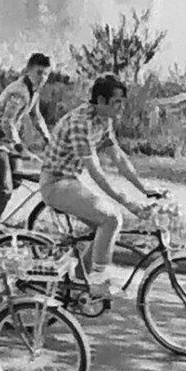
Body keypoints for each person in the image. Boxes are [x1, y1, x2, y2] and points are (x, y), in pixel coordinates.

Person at [37, 74, 163, 302]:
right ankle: (97, 281)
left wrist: (144, 188)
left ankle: (77, 282)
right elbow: (95, 171)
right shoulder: (80, 123)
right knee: (111, 218)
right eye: (117, 102)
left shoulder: (104, 120)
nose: (121, 107)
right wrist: (127, 203)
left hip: (70, 180)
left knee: (102, 227)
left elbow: (118, 157)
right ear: (101, 101)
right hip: (55, 183)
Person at [0, 52, 54, 223]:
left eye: (46, 74)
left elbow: (36, 116)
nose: (43, 78)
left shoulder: (34, 90)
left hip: (7, 141)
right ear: (29, 70)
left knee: (17, 179)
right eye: (39, 72)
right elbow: (7, 122)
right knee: (5, 190)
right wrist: (20, 148)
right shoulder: (20, 91)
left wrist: (48, 138)